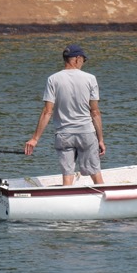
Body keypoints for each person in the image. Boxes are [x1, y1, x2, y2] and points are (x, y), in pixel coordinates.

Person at [25, 44, 106, 185]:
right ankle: (103, 194)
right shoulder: (90, 79)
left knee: (67, 175)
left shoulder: (53, 79)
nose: (83, 63)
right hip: (86, 132)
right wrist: (100, 140)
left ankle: (67, 194)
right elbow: (95, 112)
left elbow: (47, 111)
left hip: (64, 134)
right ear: (77, 58)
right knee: (95, 172)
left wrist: (34, 139)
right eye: (83, 60)